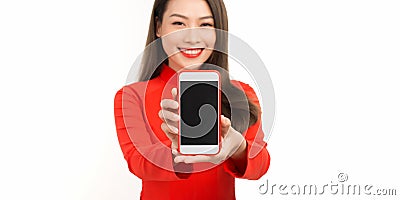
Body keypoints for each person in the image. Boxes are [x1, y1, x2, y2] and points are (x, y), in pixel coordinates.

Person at [114, 0, 270, 199]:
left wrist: (238, 147)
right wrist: (176, 152)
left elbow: (261, 166)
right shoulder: (132, 96)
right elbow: (137, 163)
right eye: (179, 23)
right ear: (158, 27)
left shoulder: (241, 93)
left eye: (205, 25)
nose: (192, 37)